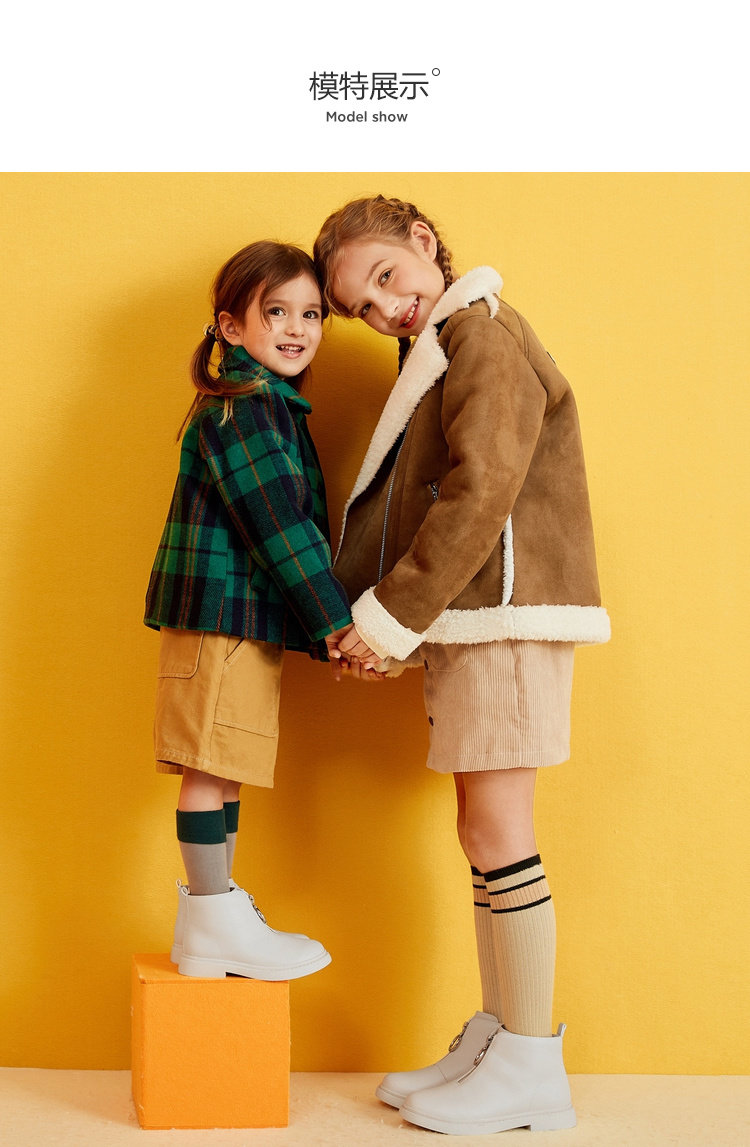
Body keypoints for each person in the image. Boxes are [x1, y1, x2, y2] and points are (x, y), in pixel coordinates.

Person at [313, 196, 610, 1135]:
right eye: (363, 306)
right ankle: (500, 1037)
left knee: (499, 829)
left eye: (387, 277)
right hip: (482, 617)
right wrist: (385, 625)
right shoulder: (446, 342)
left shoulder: (482, 332)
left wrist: (389, 620)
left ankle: (530, 1060)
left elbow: (481, 490)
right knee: (482, 830)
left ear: (424, 242)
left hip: (509, 616)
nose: (385, 308)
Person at [144, 241, 352, 980]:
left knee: (223, 767)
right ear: (231, 326)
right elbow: (279, 525)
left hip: (240, 620)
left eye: (311, 314)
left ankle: (218, 916)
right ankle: (212, 915)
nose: (297, 328)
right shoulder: (243, 409)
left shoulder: (270, 407)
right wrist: (335, 624)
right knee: (209, 768)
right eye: (277, 312)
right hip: (219, 618)